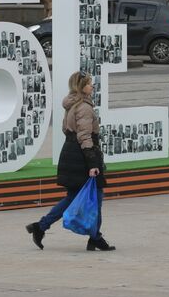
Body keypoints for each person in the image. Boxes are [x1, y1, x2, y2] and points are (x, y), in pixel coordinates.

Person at [26, 71, 114, 252]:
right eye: (89, 84)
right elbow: (85, 136)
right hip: (83, 156)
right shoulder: (85, 107)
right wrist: (92, 164)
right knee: (96, 197)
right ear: (81, 87)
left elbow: (67, 130)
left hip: (70, 153)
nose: (92, 86)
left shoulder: (71, 104)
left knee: (73, 197)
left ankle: (41, 226)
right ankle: (96, 238)